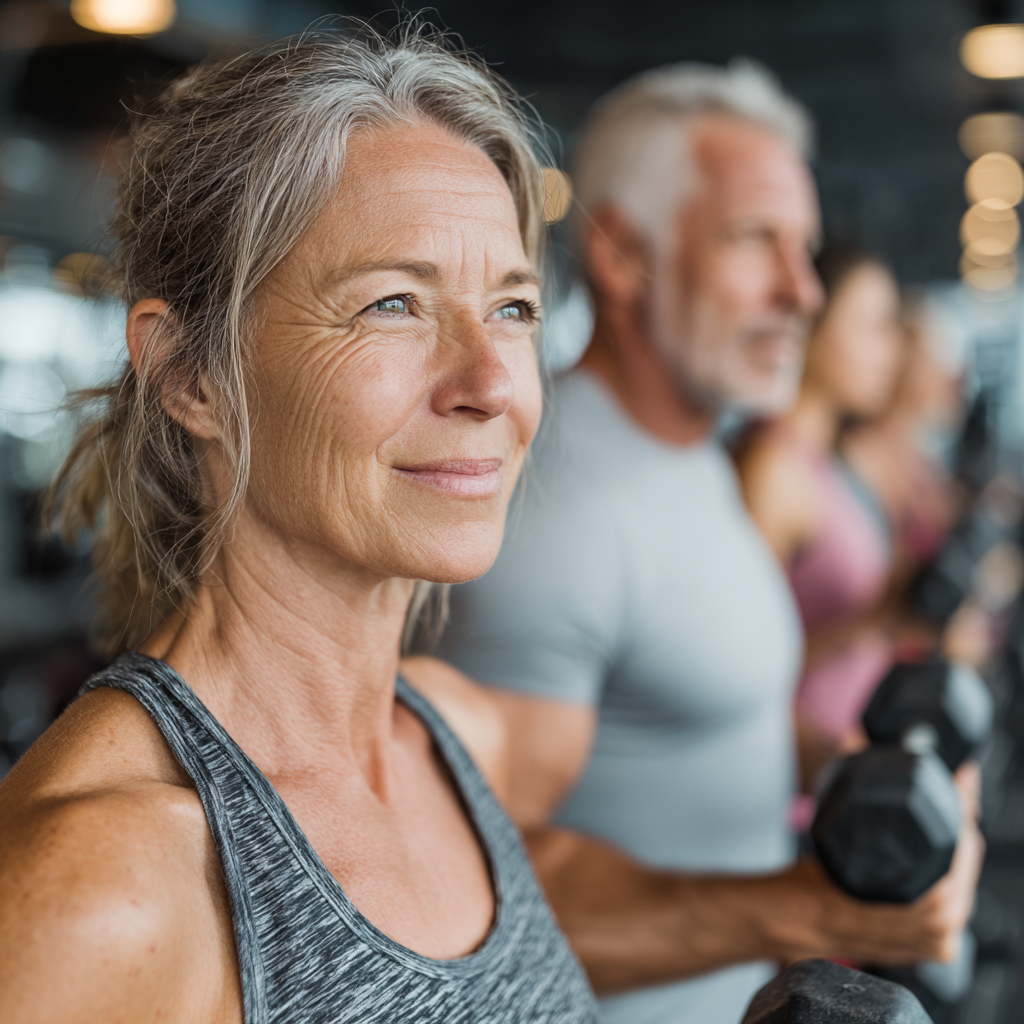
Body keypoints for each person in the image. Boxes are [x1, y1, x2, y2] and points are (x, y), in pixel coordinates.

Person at [0, 30, 598, 1024]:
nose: (491, 383)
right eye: (393, 304)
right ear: (191, 375)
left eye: (512, 308)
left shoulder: (456, 738)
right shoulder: (102, 883)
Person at [437, 62, 983, 1024]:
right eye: (754, 240)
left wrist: (855, 772)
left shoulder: (696, 455)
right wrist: (804, 907)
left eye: (803, 249)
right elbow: (463, 890)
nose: (802, 291)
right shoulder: (559, 512)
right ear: (623, 256)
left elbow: (715, 717)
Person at [738, 244, 904, 764]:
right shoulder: (772, 468)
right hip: (808, 767)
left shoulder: (832, 460)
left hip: (853, 748)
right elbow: (746, 665)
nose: (892, 350)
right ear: (811, 329)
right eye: (873, 325)